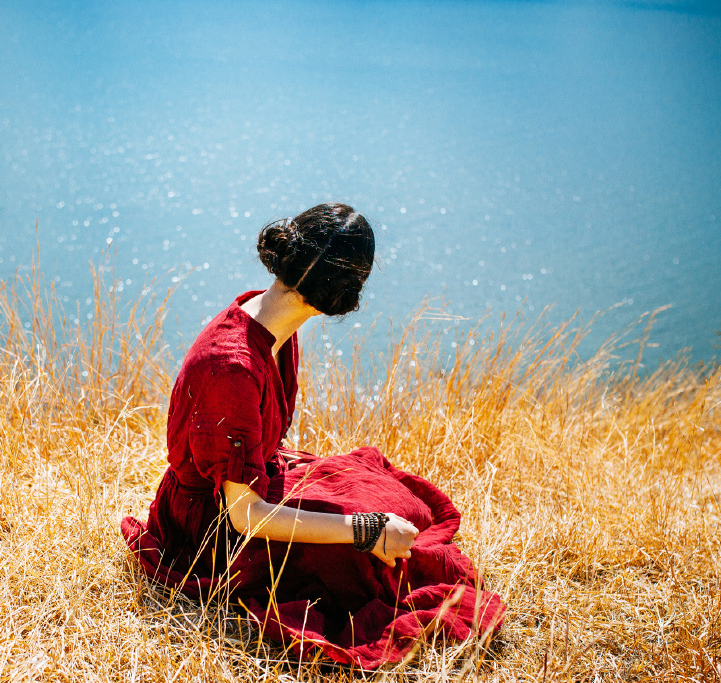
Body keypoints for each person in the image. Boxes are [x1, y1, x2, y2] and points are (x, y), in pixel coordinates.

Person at [121, 203, 504, 669]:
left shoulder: (270, 317)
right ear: (341, 290)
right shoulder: (233, 367)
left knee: (396, 505)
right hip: (214, 529)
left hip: (253, 485)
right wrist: (363, 532)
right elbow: (246, 517)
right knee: (370, 565)